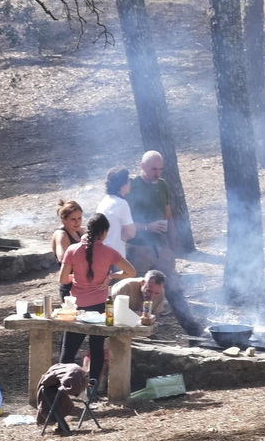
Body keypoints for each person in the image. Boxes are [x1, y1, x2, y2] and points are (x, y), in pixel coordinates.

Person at [57, 213, 136, 387]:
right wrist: (111, 276)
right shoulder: (109, 252)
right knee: (96, 348)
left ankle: (63, 387)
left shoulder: (72, 250)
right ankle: (92, 388)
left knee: (69, 350)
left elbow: (63, 279)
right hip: (100, 306)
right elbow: (131, 272)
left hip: (76, 307)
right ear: (105, 232)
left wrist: (77, 279)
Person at [125, 150, 178, 277]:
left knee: (169, 286)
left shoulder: (162, 185)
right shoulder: (130, 187)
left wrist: (173, 246)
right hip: (138, 249)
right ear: (143, 166)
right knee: (140, 289)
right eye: (154, 169)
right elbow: (124, 223)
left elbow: (168, 216)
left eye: (160, 169)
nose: (157, 174)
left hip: (161, 247)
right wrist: (147, 227)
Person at [94, 167, 137, 265]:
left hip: (101, 254)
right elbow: (132, 233)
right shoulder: (121, 203)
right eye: (128, 180)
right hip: (114, 257)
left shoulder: (105, 200)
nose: (130, 182)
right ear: (122, 184)